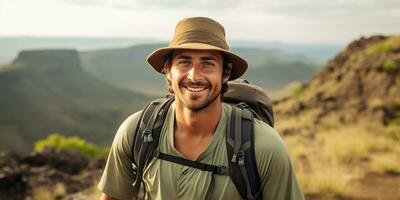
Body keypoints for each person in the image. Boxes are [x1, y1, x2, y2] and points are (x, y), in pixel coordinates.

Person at [98, 16, 304, 200]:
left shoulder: (264, 147)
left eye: (208, 64)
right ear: (168, 70)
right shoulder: (138, 132)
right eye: (184, 62)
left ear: (226, 73)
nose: (194, 76)